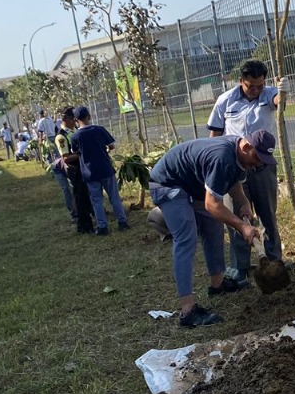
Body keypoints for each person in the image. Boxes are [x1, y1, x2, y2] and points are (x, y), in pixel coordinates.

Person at [148, 131, 275, 327]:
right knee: (186, 237)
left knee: (214, 228)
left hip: (193, 184)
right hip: (168, 184)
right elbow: (212, 204)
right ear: (246, 147)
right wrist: (242, 227)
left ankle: (218, 284)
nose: (259, 164)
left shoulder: (241, 156)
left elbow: (234, 182)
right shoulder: (222, 157)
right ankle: (188, 311)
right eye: (258, 158)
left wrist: (243, 202)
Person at [207, 59, 283, 271]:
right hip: (234, 167)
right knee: (238, 216)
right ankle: (241, 267)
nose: (256, 90)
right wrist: (215, 163)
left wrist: (284, 93)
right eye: (251, 86)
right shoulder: (225, 100)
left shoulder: (269, 93)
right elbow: (215, 134)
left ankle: (274, 261)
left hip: (262, 165)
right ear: (241, 81)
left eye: (260, 85)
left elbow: (279, 102)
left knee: (268, 214)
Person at [70, 106, 128, 235]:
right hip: (105, 168)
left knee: (96, 200)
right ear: (89, 117)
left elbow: (76, 152)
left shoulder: (75, 137)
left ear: (75, 120)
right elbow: (111, 146)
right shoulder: (99, 130)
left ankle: (102, 226)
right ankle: (122, 221)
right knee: (114, 197)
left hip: (89, 172)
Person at [56, 108, 95, 234]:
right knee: (80, 197)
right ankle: (83, 225)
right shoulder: (61, 136)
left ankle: (90, 217)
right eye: (72, 118)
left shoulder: (74, 131)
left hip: (82, 167)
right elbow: (66, 158)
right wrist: (81, 153)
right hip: (74, 169)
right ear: (64, 119)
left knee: (87, 195)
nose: (75, 120)